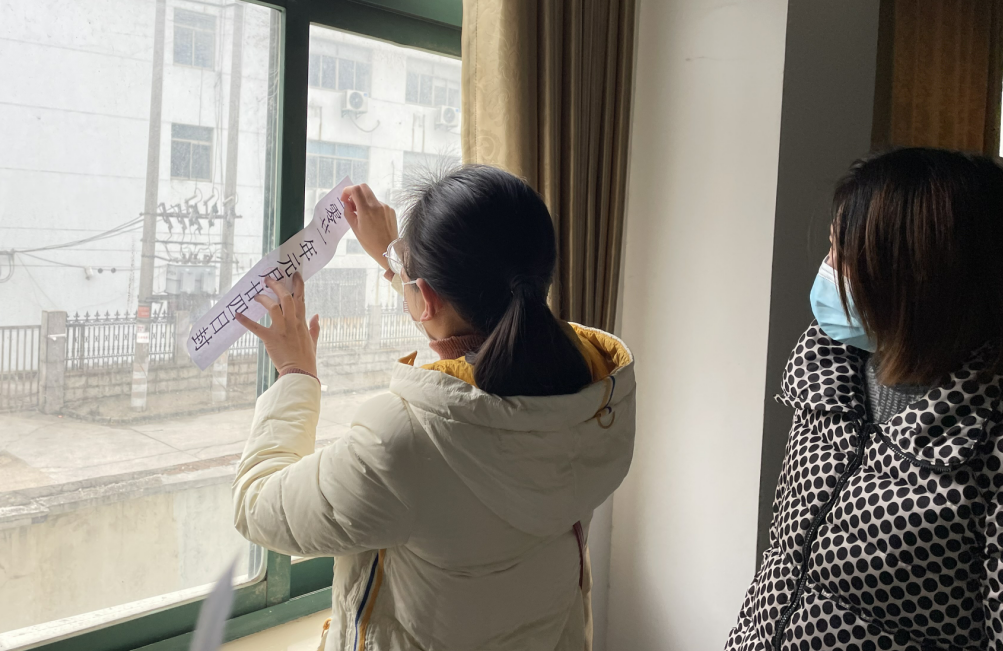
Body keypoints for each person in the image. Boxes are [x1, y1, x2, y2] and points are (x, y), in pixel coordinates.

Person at [232, 165, 636, 651]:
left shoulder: (405, 442)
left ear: (425, 297)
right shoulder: (591, 390)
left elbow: (256, 505)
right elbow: (476, 342)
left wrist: (295, 373)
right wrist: (398, 265)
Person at [726, 148, 1003, 650]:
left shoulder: (987, 436)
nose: (826, 268)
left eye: (842, 253)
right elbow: (784, 565)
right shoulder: (827, 371)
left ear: (914, 276)